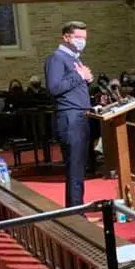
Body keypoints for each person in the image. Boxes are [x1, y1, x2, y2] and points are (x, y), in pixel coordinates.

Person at [45, 22, 93, 207]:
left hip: (80, 115)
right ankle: (75, 213)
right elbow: (54, 88)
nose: (82, 42)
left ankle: (77, 208)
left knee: (79, 167)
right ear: (66, 37)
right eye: (79, 37)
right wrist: (79, 76)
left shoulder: (74, 58)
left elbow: (71, 87)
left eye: (84, 38)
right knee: (74, 168)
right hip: (69, 118)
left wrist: (86, 80)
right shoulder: (57, 58)